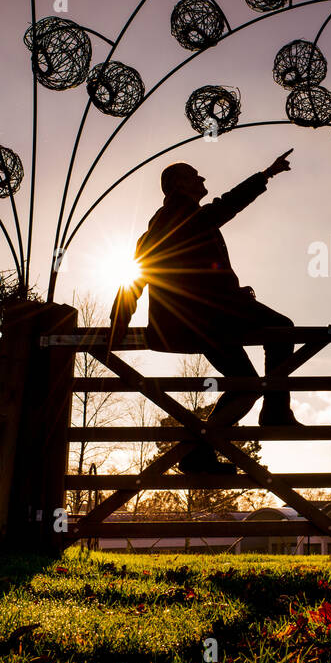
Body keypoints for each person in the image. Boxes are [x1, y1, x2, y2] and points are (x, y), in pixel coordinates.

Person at [108, 150, 301, 473]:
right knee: (282, 329)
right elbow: (224, 206)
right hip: (207, 317)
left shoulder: (164, 221)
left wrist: (118, 323)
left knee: (245, 383)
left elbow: (136, 274)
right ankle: (275, 412)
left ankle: (199, 452)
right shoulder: (179, 214)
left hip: (204, 321)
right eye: (195, 175)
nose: (203, 179)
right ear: (179, 184)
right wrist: (265, 175)